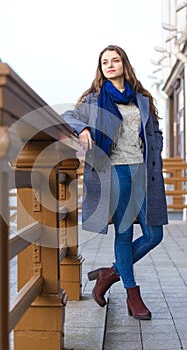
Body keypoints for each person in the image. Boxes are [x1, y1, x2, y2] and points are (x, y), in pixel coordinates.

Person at [61, 44, 168, 320]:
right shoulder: (95, 99)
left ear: (124, 64)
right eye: (105, 61)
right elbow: (67, 116)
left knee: (155, 234)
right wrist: (83, 128)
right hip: (115, 172)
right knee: (124, 235)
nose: (110, 65)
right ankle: (133, 295)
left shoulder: (141, 98)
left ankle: (110, 274)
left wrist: (155, 147)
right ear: (101, 68)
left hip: (144, 172)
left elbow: (154, 131)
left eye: (115, 60)